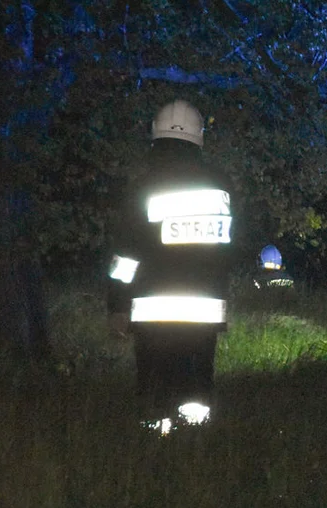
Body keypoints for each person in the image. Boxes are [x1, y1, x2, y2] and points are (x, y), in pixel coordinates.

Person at [108, 99, 235, 434]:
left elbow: (125, 257)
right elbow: (231, 248)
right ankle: (195, 451)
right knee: (196, 384)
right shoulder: (221, 189)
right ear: (199, 138)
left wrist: (118, 305)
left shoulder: (144, 187)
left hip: (153, 311)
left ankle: (155, 448)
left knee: (155, 387)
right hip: (205, 312)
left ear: (155, 136)